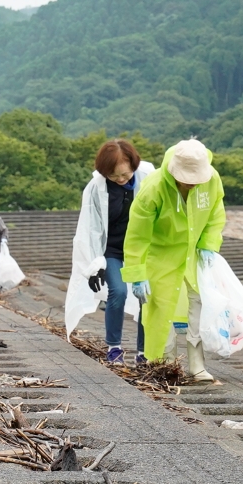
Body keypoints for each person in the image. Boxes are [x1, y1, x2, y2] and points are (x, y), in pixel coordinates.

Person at [120, 139, 226, 383]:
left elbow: (216, 213)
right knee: (160, 309)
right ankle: (164, 364)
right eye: (185, 178)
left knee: (198, 306)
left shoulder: (211, 179)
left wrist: (209, 244)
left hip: (195, 254)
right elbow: (136, 235)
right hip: (160, 257)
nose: (190, 183)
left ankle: (197, 366)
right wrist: (137, 274)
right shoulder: (154, 188)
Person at [64, 139, 155, 363]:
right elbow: (91, 228)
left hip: (143, 249)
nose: (121, 180)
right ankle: (114, 348)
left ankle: (145, 351)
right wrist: (95, 264)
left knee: (147, 296)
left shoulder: (149, 178)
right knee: (118, 293)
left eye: (125, 174)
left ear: (134, 164)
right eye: (114, 176)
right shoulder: (96, 187)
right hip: (112, 249)